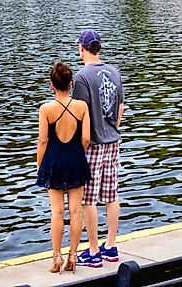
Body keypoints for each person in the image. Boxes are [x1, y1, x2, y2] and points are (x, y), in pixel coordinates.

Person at [72, 30, 125, 268]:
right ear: (99, 48)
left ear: (82, 48)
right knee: (111, 194)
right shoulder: (114, 72)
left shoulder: (82, 77)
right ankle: (111, 245)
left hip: (92, 143)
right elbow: (120, 106)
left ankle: (93, 251)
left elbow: (79, 114)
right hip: (113, 139)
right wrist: (112, 129)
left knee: (88, 198)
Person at [36, 61, 92, 274]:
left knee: (57, 211)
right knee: (76, 210)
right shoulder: (82, 107)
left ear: (52, 84)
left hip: (54, 161)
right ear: (71, 83)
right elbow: (86, 137)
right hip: (76, 159)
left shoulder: (46, 109)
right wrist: (78, 152)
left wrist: (40, 164)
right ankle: (73, 256)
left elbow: (42, 141)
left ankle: (56, 256)